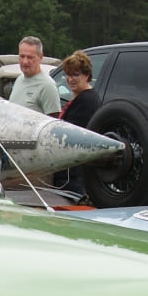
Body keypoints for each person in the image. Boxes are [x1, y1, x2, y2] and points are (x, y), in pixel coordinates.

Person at [56, 50, 101, 200]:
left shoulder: (87, 100)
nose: (70, 79)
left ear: (86, 75)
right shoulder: (79, 98)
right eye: (68, 74)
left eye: (75, 74)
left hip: (75, 174)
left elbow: (74, 134)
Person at [8, 36, 59, 116]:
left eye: (30, 57)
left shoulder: (47, 86)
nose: (25, 61)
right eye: (22, 56)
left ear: (40, 57)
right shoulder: (19, 79)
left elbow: (52, 124)